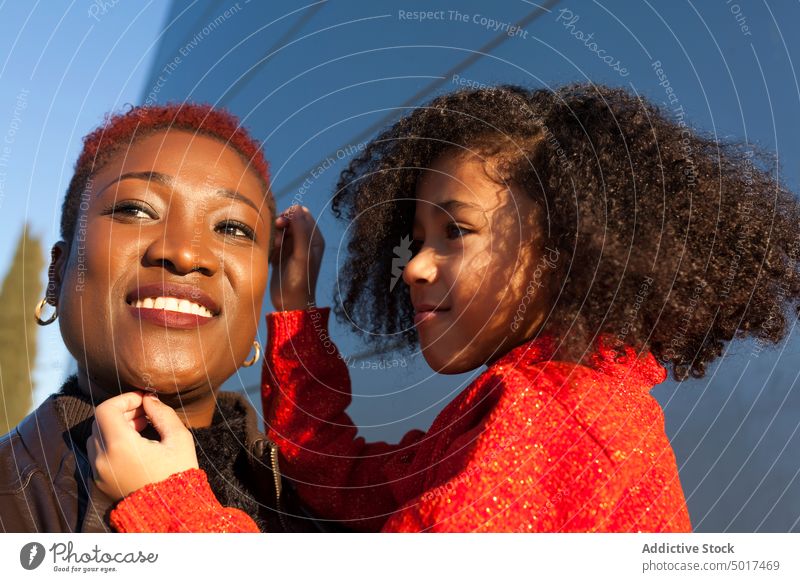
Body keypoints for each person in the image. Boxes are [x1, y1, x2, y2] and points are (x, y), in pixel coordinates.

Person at [93, 84, 800, 532]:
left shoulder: (564, 426)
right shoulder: (526, 401)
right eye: (416, 240)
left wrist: (167, 506)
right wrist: (297, 310)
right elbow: (348, 481)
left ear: (563, 249)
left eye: (454, 232)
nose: (417, 267)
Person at [0, 102, 321, 532]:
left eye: (232, 229)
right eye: (136, 209)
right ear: (58, 274)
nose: (186, 253)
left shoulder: (331, 506)